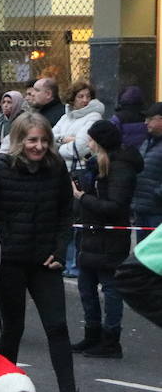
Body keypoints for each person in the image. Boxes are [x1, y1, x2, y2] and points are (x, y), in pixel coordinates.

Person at [0, 112, 99, 392]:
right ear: (18, 141)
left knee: (57, 326)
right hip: (8, 262)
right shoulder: (0, 167)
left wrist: (59, 248)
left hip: (45, 261)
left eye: (44, 140)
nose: (39, 146)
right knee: (13, 329)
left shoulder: (55, 168)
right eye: (32, 140)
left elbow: (64, 213)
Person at [71, 120, 141, 359]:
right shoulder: (97, 165)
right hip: (91, 234)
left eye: (91, 139)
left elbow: (115, 206)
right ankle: (92, 335)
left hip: (109, 237)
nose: (88, 143)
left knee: (110, 289)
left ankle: (111, 341)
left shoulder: (120, 167)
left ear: (100, 142)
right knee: (86, 287)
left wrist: (82, 197)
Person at [52, 81, 104, 166]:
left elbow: (79, 148)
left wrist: (57, 148)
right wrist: (64, 139)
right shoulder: (66, 117)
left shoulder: (94, 117)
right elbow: (48, 137)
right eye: (81, 96)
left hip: (80, 170)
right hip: (61, 168)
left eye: (88, 96)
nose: (85, 100)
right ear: (72, 99)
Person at [131, 102, 162, 242]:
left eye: (150, 119)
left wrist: (157, 194)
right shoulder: (147, 141)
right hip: (142, 205)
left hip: (157, 209)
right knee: (141, 253)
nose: (146, 122)